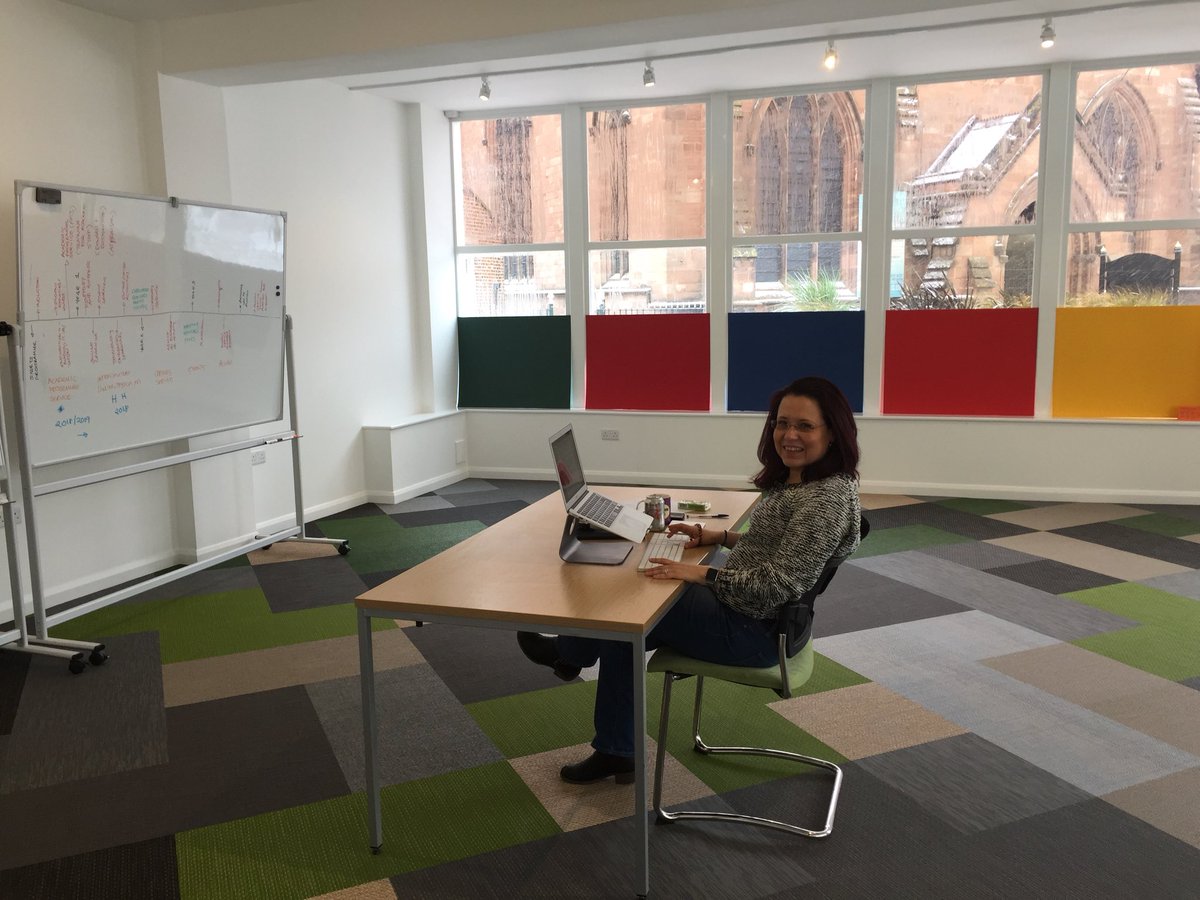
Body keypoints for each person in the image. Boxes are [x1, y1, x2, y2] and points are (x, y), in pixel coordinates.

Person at [517, 376, 862, 784]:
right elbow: (779, 546)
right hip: (751, 616)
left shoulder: (825, 499)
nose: (788, 435)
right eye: (781, 423)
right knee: (632, 606)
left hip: (755, 630)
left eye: (804, 426)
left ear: (833, 433)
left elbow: (777, 583)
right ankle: (607, 730)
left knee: (631, 602)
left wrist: (698, 572)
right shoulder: (815, 484)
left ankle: (573, 661)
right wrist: (716, 537)